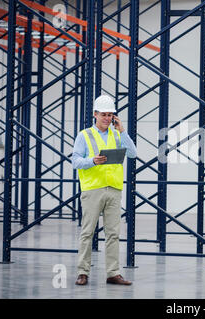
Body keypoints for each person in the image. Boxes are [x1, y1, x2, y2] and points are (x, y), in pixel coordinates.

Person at [72, 95, 137, 286]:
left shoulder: (117, 135)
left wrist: (123, 131)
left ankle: (113, 273)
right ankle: (83, 272)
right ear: (95, 114)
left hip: (114, 189)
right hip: (93, 189)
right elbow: (75, 161)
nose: (107, 118)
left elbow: (133, 153)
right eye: (104, 115)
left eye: (110, 115)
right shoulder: (84, 135)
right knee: (88, 232)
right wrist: (92, 161)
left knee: (113, 233)